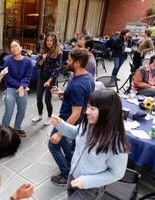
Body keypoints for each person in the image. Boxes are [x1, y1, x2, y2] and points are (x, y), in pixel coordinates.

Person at [51, 89, 129, 199]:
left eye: (92, 108)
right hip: (73, 174)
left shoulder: (116, 143)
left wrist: (86, 181)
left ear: (107, 112)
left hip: (90, 189)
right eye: (88, 106)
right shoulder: (87, 123)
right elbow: (76, 133)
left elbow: (117, 173)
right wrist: (61, 125)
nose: (87, 111)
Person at [49, 48, 95, 186]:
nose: (67, 62)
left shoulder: (78, 85)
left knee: (53, 144)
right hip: (75, 120)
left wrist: (60, 132)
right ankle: (71, 163)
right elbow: (80, 100)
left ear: (78, 62)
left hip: (68, 121)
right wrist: (63, 93)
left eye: (69, 59)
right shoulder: (87, 77)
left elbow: (75, 113)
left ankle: (65, 175)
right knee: (63, 143)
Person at [2, 39, 33, 137]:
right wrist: (19, 85)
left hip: (23, 89)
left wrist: (22, 86)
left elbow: (28, 76)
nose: (14, 48)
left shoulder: (28, 61)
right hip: (11, 89)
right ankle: (4, 131)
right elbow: (7, 77)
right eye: (12, 47)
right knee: (9, 112)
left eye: (16, 46)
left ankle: (16, 129)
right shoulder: (7, 61)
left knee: (22, 111)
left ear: (21, 47)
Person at [32, 32, 62, 125]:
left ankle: (49, 116)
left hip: (51, 78)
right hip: (42, 76)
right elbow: (37, 66)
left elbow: (57, 68)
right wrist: (42, 58)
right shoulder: (43, 51)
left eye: (51, 41)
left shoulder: (59, 53)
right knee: (39, 97)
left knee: (47, 99)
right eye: (47, 40)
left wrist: (49, 81)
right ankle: (40, 115)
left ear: (54, 41)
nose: (49, 42)